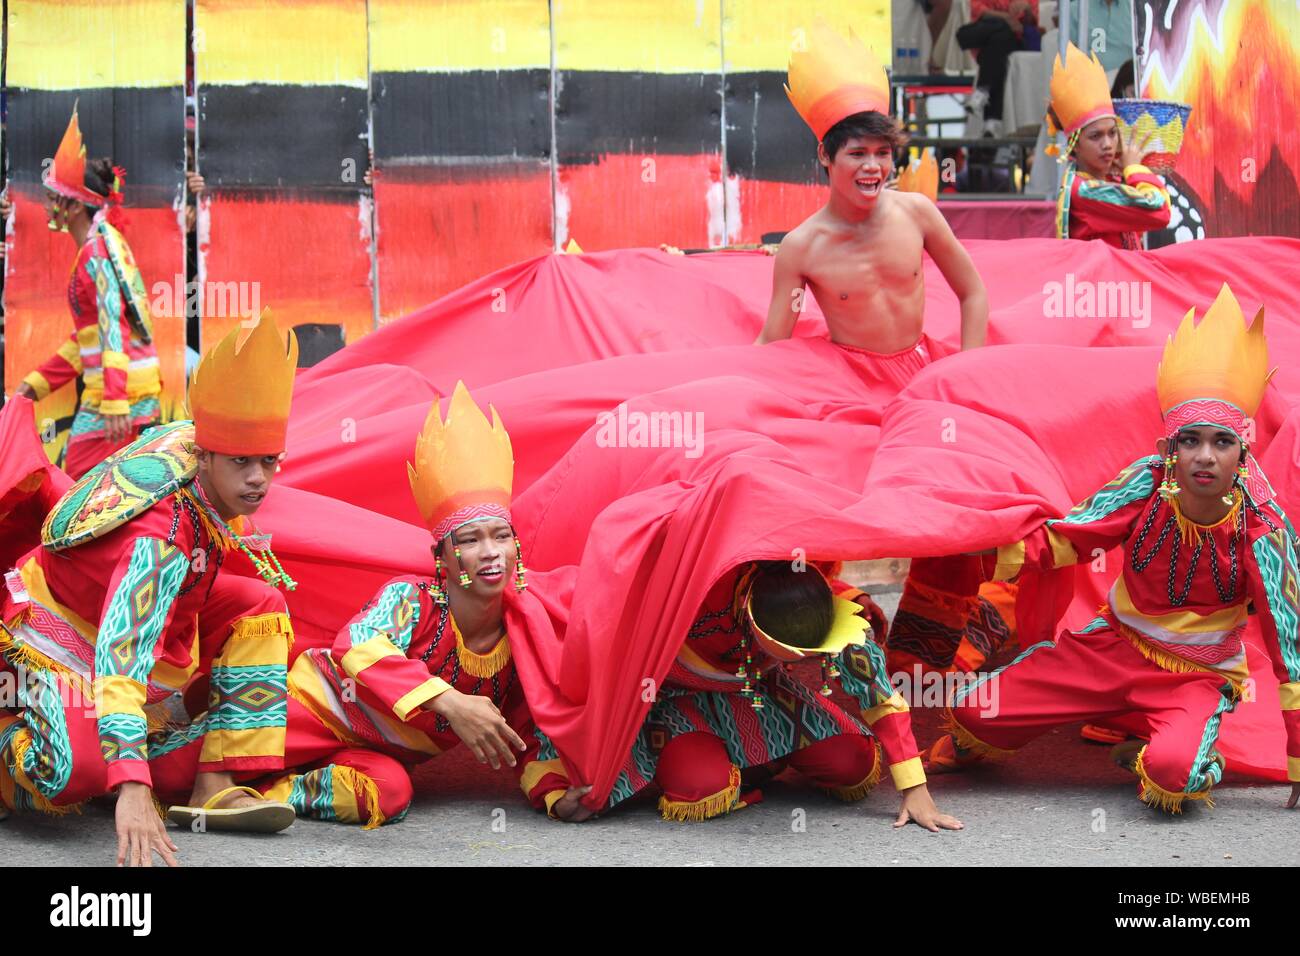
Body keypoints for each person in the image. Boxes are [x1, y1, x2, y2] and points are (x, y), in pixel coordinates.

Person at [925, 285, 1300, 813]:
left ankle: (1185, 752)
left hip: (1196, 675)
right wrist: (975, 543)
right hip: (1109, 648)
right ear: (1168, 447)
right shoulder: (1144, 484)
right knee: (973, 713)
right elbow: (1065, 540)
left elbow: (1291, 648)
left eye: (1221, 442)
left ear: (1243, 448)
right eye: (1190, 440)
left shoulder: (1264, 527)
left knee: (1174, 777)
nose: (1205, 457)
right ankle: (1121, 722)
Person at [0, 312, 300, 864]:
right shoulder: (159, 537)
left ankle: (215, 784)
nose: (259, 478)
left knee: (262, 604)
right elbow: (123, 656)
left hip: (143, 624)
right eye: (242, 462)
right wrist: (133, 786)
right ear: (205, 456)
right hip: (58, 638)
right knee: (74, 771)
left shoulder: (200, 459)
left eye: (268, 462)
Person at [762, 19, 1013, 679]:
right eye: (858, 155)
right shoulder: (802, 249)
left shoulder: (918, 214)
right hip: (850, 391)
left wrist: (966, 374)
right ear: (826, 158)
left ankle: (941, 639)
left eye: (883, 153)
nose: (874, 168)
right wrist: (750, 408)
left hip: (927, 383)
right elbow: (776, 339)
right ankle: (833, 633)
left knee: (967, 505)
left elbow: (974, 294)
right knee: (829, 515)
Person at [244, 382, 552, 827]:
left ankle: (270, 794)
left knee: (389, 796)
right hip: (308, 710)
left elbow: (531, 727)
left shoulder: (520, 631)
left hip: (368, 754)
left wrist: (555, 789)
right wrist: (450, 702)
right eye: (470, 539)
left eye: (501, 536)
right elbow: (359, 642)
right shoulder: (413, 598)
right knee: (184, 769)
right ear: (442, 558)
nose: (490, 551)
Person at [531, 560, 962, 831]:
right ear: (750, 618)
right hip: (675, 700)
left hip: (756, 693)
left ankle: (748, 760)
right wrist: (572, 786)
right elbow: (590, 676)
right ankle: (734, 762)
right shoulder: (685, 592)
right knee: (701, 787)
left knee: (854, 766)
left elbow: (878, 693)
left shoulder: (829, 607)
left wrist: (914, 787)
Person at [14, 105, 162, 478]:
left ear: (75, 205)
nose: (47, 205)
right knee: (103, 487)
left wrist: (114, 401)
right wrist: (34, 386)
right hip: (126, 391)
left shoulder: (97, 252)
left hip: (120, 398)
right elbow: (89, 340)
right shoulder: (98, 246)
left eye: (53, 197)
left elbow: (114, 326)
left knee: (79, 481)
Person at [1047, 43, 1170, 249]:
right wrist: (1135, 170)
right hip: (1105, 282)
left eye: (1112, 133)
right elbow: (1159, 210)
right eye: (1095, 137)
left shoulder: (1108, 178)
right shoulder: (1086, 191)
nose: (1107, 144)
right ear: (1075, 145)